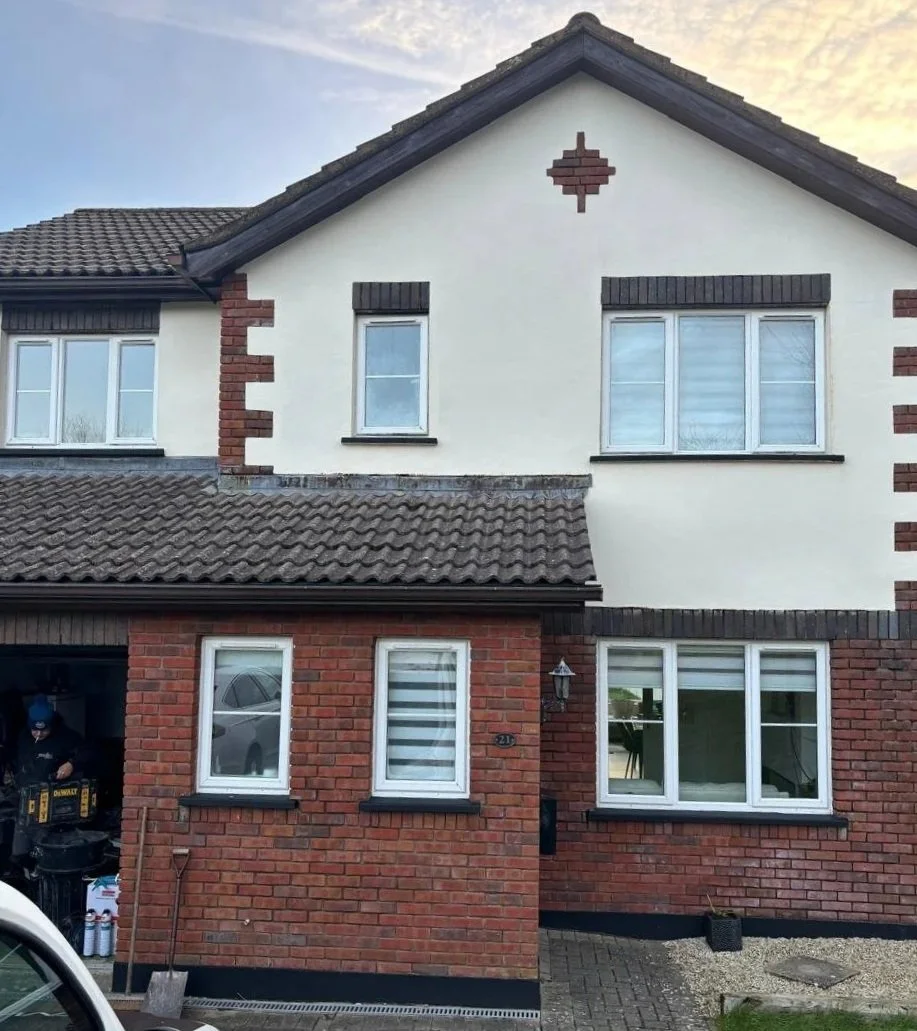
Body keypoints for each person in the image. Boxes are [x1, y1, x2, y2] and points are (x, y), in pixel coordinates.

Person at [10, 697, 87, 874]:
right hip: (26, 802)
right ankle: (29, 877)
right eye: (34, 730)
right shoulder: (23, 737)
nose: (38, 734)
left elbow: (90, 752)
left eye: (43, 730)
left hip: (54, 805)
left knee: (47, 852)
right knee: (19, 852)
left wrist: (71, 763)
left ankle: (42, 876)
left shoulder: (67, 738)